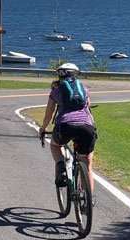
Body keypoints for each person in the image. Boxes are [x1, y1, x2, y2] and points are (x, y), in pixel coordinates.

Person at [38, 62, 97, 192]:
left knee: (55, 145)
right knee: (87, 163)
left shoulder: (56, 91)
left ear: (60, 75)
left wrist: (43, 128)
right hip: (86, 127)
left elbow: (49, 114)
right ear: (75, 75)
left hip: (65, 126)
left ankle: (61, 167)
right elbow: (88, 110)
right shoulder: (84, 89)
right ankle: (88, 200)